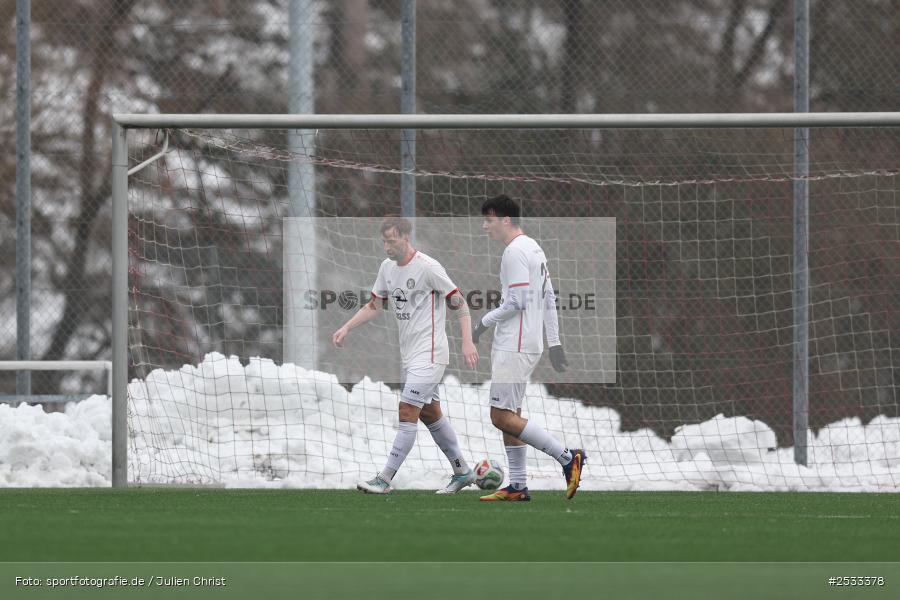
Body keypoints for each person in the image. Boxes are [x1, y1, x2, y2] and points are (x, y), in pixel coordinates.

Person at [333, 215, 479, 494]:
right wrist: (347, 327)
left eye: (392, 241)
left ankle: (384, 479)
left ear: (406, 237)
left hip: (431, 354)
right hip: (411, 356)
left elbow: (460, 303)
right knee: (431, 414)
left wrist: (467, 342)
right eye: (384, 242)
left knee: (407, 410)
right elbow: (374, 305)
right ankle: (462, 471)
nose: (387, 247)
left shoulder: (428, 267)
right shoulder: (386, 268)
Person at [472, 195, 586, 501]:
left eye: (489, 220)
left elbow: (517, 302)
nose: (485, 226)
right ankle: (518, 486)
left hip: (515, 344)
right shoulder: (534, 247)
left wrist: (483, 322)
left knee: (500, 416)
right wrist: (554, 342)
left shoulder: (514, 251)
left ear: (505, 220)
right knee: (512, 414)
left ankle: (567, 457)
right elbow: (548, 297)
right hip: (527, 343)